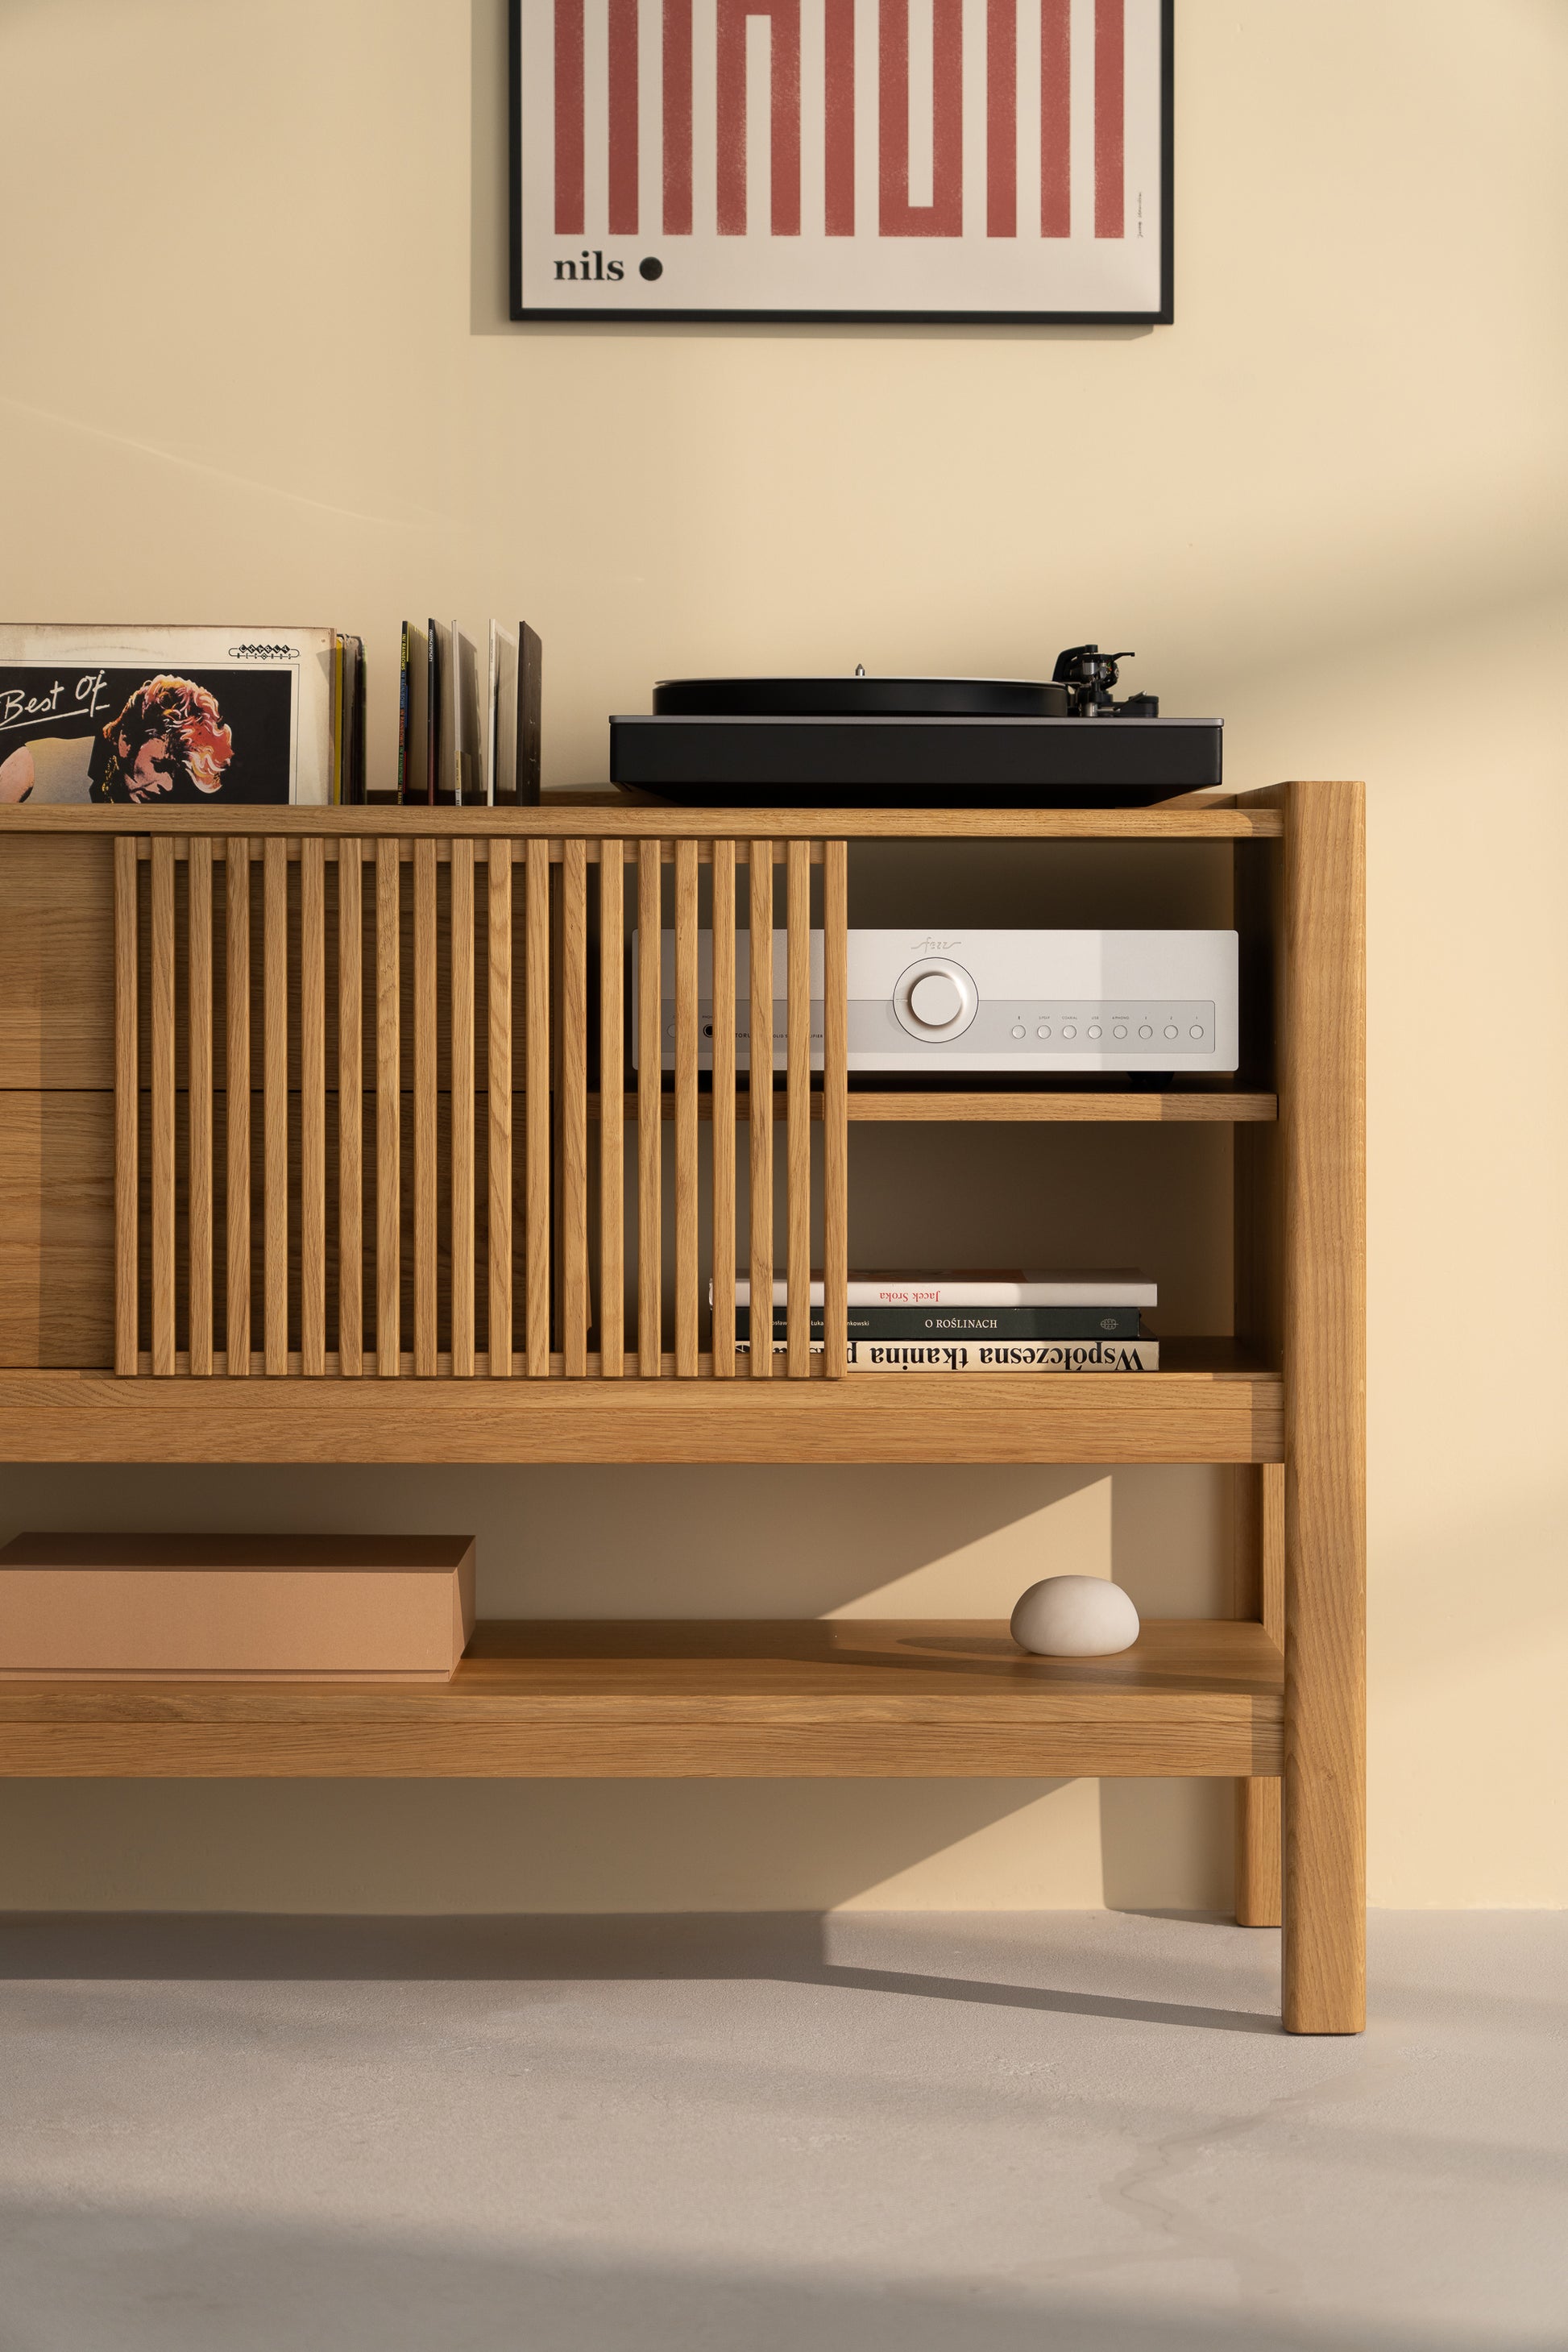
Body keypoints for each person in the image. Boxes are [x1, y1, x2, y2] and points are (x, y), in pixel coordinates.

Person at [0, 674, 236, 803]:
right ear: (126, 740)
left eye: (175, 773)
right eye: (160, 765)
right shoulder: (33, 765)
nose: (168, 785)